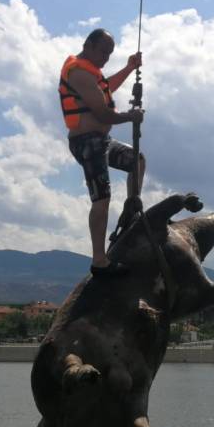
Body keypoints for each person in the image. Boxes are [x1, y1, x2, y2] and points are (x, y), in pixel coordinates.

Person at [59, 28, 145, 277]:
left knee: (136, 161)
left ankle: (131, 210)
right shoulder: (78, 73)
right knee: (102, 199)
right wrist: (131, 117)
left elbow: (107, 88)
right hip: (86, 142)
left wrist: (129, 67)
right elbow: (102, 114)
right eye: (103, 51)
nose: (106, 57)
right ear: (88, 45)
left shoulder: (92, 74)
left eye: (110, 53)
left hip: (102, 141)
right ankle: (99, 260)